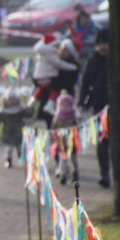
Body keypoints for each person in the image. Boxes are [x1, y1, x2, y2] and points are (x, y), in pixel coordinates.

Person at [79, 28, 109, 187]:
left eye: (106, 43)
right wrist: (81, 104)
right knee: (102, 142)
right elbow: (85, 84)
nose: (103, 47)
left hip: (117, 108)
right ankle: (105, 174)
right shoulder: (92, 62)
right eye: (100, 44)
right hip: (98, 107)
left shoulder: (116, 61)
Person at [30, 33, 77, 124]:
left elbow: (68, 83)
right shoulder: (52, 59)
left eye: (66, 51)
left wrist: (50, 82)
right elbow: (37, 75)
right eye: (62, 50)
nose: (63, 53)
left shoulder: (73, 66)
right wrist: (40, 81)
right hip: (46, 97)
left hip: (64, 101)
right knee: (49, 121)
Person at [0, 87, 37, 168]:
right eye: (10, 100)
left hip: (19, 133)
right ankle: (8, 160)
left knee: (20, 148)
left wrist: (30, 109)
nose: (12, 102)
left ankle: (23, 160)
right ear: (5, 101)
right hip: (8, 133)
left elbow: (29, 115)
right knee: (9, 149)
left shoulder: (20, 111)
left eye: (13, 100)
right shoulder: (2, 112)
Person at [50, 90, 79, 185]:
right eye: (63, 104)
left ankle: (75, 171)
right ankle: (63, 175)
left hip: (71, 142)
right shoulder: (57, 117)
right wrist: (53, 138)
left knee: (73, 159)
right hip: (61, 142)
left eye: (67, 104)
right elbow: (53, 129)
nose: (65, 107)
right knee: (63, 159)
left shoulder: (73, 116)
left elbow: (77, 129)